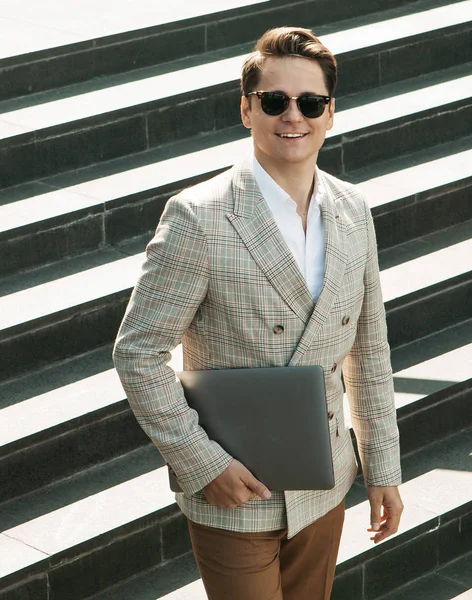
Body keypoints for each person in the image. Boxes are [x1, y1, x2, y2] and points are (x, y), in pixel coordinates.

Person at [113, 26, 402, 600]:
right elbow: (137, 352)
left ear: (330, 114)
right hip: (235, 490)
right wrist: (201, 464)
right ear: (247, 110)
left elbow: (368, 352)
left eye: (310, 103)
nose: (292, 116)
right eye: (275, 101)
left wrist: (383, 468)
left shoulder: (353, 209)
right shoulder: (199, 217)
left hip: (324, 484)